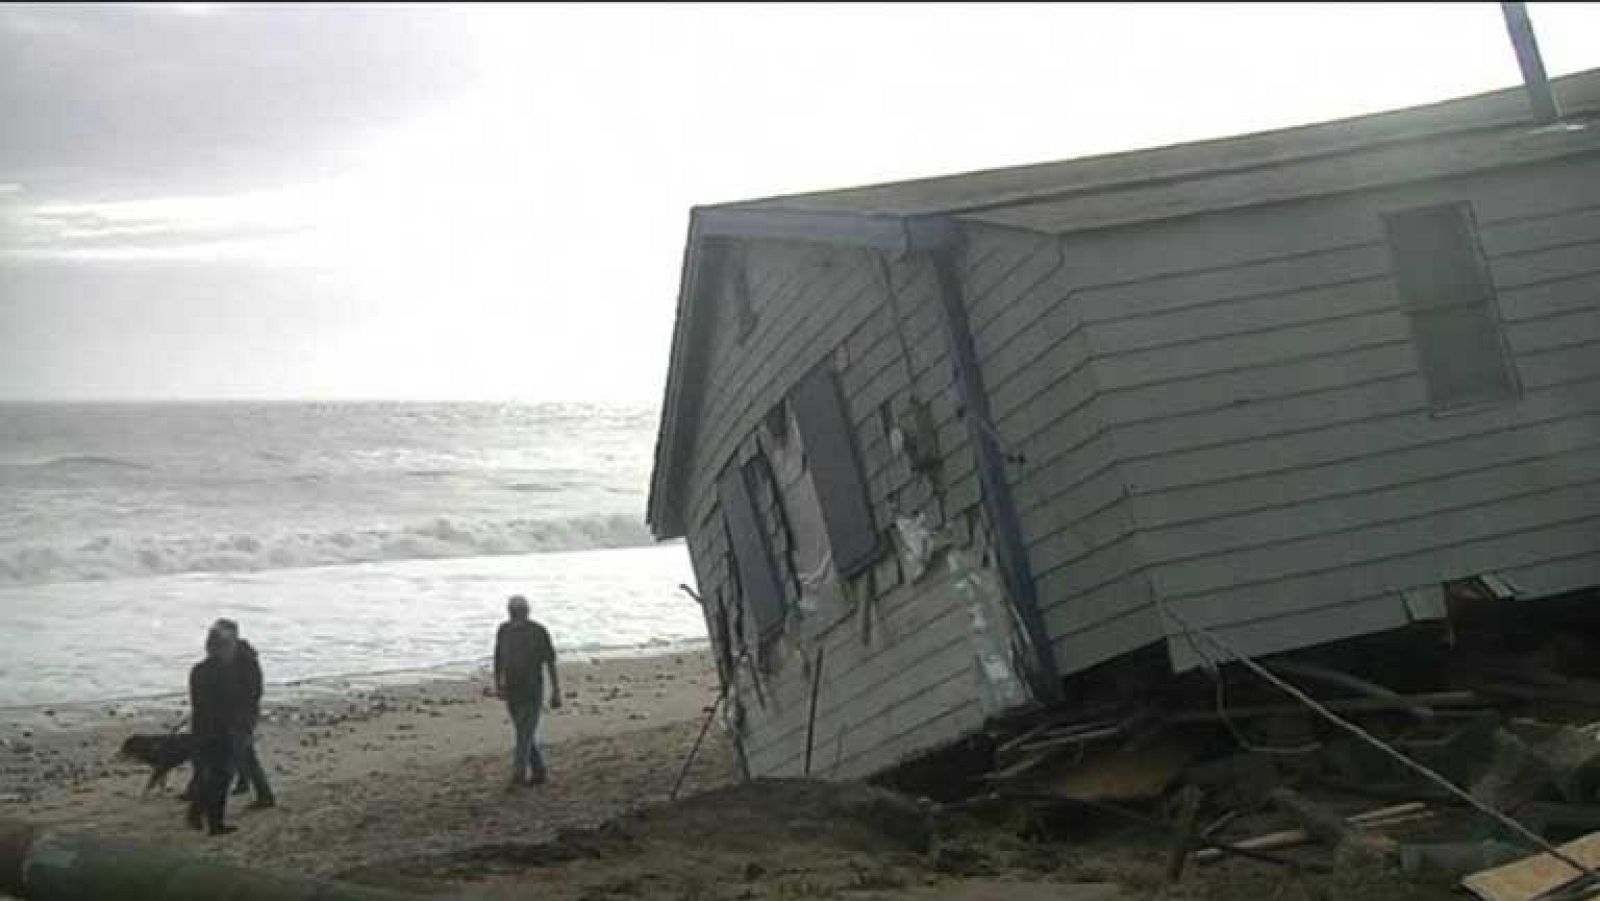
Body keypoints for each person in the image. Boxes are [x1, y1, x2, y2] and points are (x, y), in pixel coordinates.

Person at [493, 595, 561, 788]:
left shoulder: (538, 631)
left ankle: (518, 773)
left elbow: (550, 661)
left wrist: (556, 690)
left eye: (519, 611)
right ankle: (539, 771)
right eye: (514, 611)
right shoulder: (503, 630)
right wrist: (498, 683)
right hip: (512, 689)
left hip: (532, 689)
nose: (516, 615)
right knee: (524, 732)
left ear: (526, 612)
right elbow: (498, 658)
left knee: (524, 733)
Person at [214, 618, 276, 809]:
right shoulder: (225, 656)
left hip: (242, 715)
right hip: (232, 714)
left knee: (238, 755)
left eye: (219, 633)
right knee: (246, 754)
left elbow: (253, 691)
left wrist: (238, 711)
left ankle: (264, 796)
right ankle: (249, 786)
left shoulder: (245, 659)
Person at [186, 624, 239, 835]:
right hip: (219, 730)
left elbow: (198, 703)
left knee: (207, 775)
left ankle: (197, 813)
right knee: (220, 778)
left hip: (200, 729)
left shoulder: (197, 670)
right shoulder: (225, 673)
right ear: (223, 648)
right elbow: (228, 703)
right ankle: (214, 822)